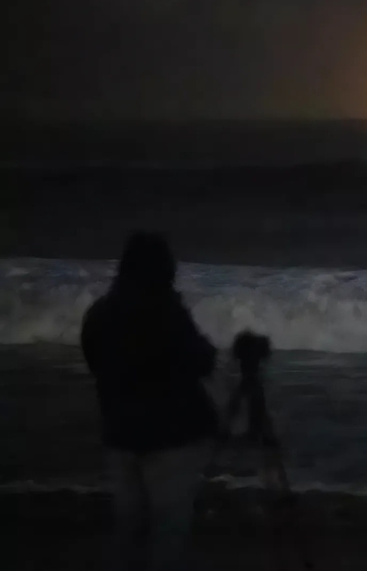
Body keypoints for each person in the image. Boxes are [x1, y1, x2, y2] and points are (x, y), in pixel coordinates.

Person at [81, 232, 219, 571]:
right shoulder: (167, 313)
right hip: (171, 438)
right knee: (168, 530)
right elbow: (202, 360)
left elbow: (93, 359)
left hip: (121, 434)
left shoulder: (100, 313)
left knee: (128, 527)